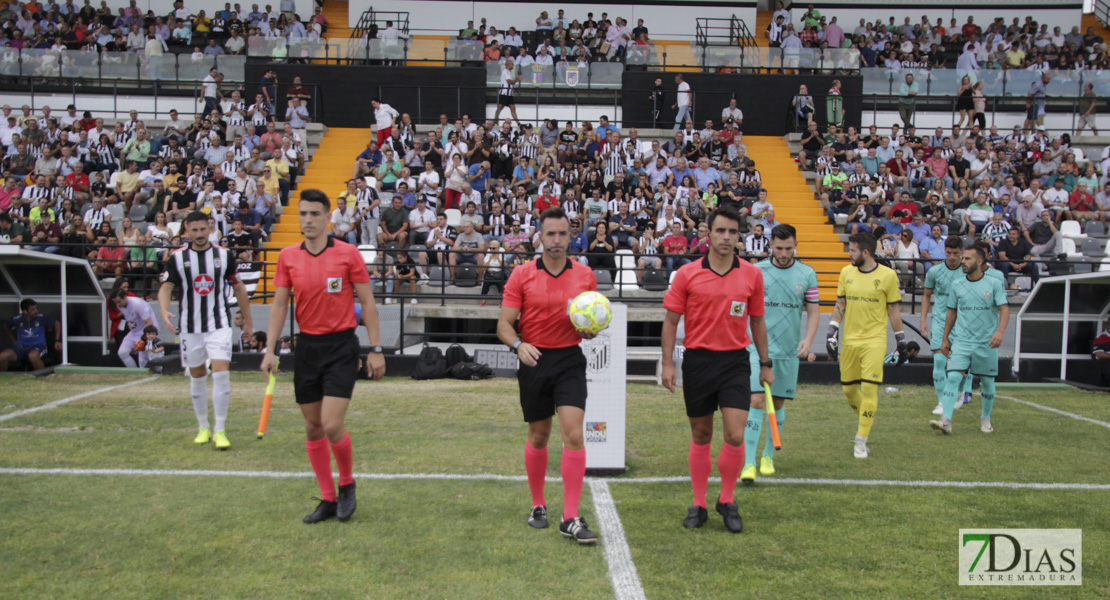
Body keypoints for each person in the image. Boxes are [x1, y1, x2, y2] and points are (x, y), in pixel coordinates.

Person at [261, 189, 386, 524]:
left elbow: (369, 304)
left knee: (331, 424)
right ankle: (327, 497)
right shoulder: (288, 256)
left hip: (342, 346)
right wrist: (270, 349)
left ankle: (347, 484)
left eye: (315, 214)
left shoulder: (347, 254)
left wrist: (375, 348)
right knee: (313, 427)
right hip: (307, 348)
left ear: (328, 217)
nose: (308, 220)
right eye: (303, 214)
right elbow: (279, 305)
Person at [661, 206, 771, 533]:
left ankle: (726, 498)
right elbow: (670, 321)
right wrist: (667, 363)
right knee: (702, 434)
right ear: (708, 233)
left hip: (736, 361)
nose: (726, 238)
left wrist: (765, 365)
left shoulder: (751, 274)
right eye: (720, 231)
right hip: (698, 361)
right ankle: (698, 503)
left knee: (736, 434)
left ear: (739, 236)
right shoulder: (687, 273)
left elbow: (758, 321)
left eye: (732, 232)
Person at [496, 206, 599, 545]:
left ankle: (570, 516)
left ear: (572, 237)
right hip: (534, 358)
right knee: (538, 436)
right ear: (540, 236)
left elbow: (589, 321)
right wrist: (518, 346)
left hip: (569, 358)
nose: (556, 240)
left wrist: (589, 332)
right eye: (550, 234)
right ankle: (537, 504)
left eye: (563, 234)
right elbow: (503, 325)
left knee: (573, 435)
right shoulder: (521, 274)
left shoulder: (585, 275)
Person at [158, 211, 254, 451]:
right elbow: (166, 288)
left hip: (218, 324)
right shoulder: (177, 258)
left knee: (221, 372)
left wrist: (248, 321)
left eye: (204, 229)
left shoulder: (224, 255)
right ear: (186, 231)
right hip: (190, 327)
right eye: (195, 230)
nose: (200, 235)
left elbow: (239, 288)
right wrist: (163, 310)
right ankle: (203, 427)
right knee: (198, 374)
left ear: (210, 229)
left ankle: (220, 430)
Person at [740, 225, 819, 483]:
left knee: (779, 403)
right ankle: (749, 462)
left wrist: (808, 339)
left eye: (789, 248)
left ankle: (767, 456)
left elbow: (814, 310)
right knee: (756, 401)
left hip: (788, 350)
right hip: (757, 348)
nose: (784, 253)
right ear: (770, 245)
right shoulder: (757, 271)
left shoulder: (807, 273)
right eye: (779, 248)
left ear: (796, 245)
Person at [826, 231, 907, 459]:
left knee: (870, 389)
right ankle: (867, 417)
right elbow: (840, 303)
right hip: (850, 341)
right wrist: (832, 330)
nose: (849, 254)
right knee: (849, 391)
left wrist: (900, 339)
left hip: (875, 340)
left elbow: (893, 309)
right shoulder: (846, 273)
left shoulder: (888, 276)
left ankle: (861, 440)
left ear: (865, 252)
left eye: (852, 250)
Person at [931, 244, 1009, 434]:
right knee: (954, 377)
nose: (962, 262)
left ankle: (985, 418)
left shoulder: (993, 284)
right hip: (962, 341)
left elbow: (1004, 309)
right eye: (963, 258)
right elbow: (952, 312)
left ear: (980, 262)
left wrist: (1000, 332)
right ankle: (946, 420)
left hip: (986, 342)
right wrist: (945, 339)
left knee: (988, 382)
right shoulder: (957, 285)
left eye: (967, 259)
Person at [922, 236, 965, 416]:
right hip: (940, 320)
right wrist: (923, 319)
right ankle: (941, 402)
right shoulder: (935, 271)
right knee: (939, 361)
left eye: (956, 253)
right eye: (949, 253)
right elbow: (926, 295)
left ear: (962, 252)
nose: (952, 257)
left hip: (962, 323)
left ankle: (960, 391)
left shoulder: (968, 271)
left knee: (958, 365)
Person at [0, 299, 60, 372]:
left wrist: (57, 340)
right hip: (21, 346)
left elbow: (57, 324)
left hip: (38, 345)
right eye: (33, 309)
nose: (36, 311)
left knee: (33, 356)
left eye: (36, 308)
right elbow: (5, 326)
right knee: (2, 356)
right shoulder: (16, 319)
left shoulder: (41, 317)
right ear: (25, 311)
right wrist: (13, 340)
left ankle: (43, 377)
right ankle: (3, 378)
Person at [110, 289, 159, 368]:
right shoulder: (120, 305)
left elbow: (150, 323)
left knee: (142, 359)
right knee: (122, 353)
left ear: (125, 297)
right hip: (134, 332)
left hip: (147, 331)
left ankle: (146, 373)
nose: (117, 304)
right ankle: (135, 372)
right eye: (115, 302)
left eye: (119, 301)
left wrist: (145, 339)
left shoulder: (137, 304)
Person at [495, 58, 523, 126]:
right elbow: (509, 82)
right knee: (500, 107)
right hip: (504, 93)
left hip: (509, 94)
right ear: (507, 65)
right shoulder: (506, 71)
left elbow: (511, 82)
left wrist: (515, 80)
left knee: (513, 108)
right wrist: (516, 79)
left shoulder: (509, 72)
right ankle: (495, 121)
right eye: (511, 64)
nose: (513, 65)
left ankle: (518, 123)